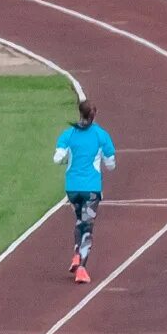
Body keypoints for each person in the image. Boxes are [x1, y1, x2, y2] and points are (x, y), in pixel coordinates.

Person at [54, 98, 116, 285]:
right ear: (94, 115)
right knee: (87, 226)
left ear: (79, 113)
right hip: (91, 188)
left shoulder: (68, 134)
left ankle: (75, 254)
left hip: (72, 188)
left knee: (80, 220)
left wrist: (69, 159)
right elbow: (111, 164)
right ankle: (81, 267)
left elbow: (57, 158)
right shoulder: (101, 135)